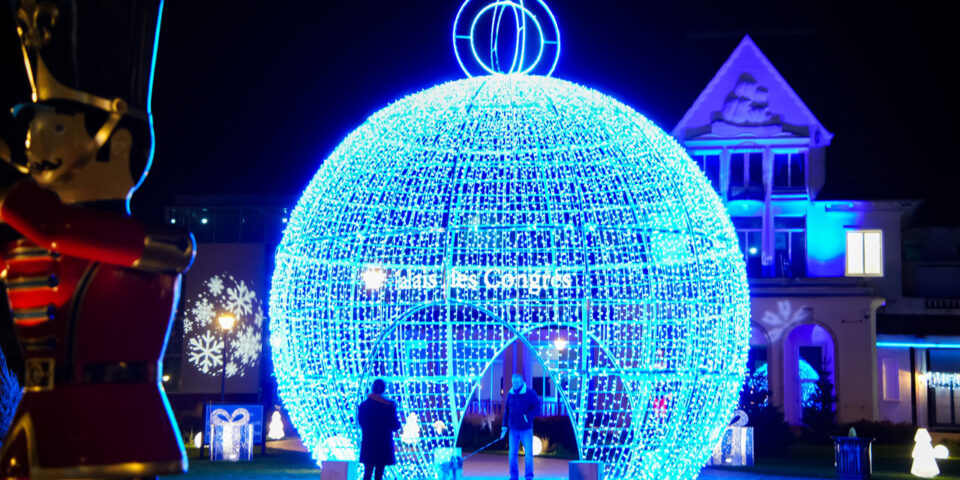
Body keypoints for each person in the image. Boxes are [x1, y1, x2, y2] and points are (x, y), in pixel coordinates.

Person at [358, 378, 402, 480]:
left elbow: (361, 422)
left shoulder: (364, 405)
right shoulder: (389, 406)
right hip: (383, 444)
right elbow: (395, 425)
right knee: (379, 473)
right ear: (384, 389)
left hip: (368, 443)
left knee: (367, 472)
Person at [500, 373, 541, 480]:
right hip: (513, 430)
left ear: (522, 381)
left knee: (528, 455)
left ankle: (529, 477)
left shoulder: (530, 393)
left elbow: (537, 408)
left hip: (526, 430)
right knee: (512, 455)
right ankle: (513, 477)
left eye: (517, 382)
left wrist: (528, 417)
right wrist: (504, 427)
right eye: (513, 382)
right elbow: (506, 412)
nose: (515, 384)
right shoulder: (510, 394)